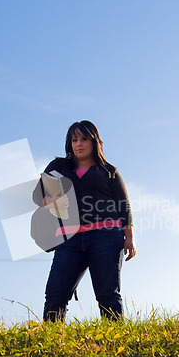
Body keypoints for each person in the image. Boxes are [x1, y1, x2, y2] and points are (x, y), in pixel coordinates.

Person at [33, 120, 136, 321]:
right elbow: (38, 195)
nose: (78, 144)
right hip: (69, 239)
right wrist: (52, 201)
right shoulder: (59, 166)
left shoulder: (109, 171)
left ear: (94, 142)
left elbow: (124, 206)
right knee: (55, 294)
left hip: (106, 236)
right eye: (74, 140)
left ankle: (115, 343)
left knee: (107, 295)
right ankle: (52, 344)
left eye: (84, 139)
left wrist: (129, 238)